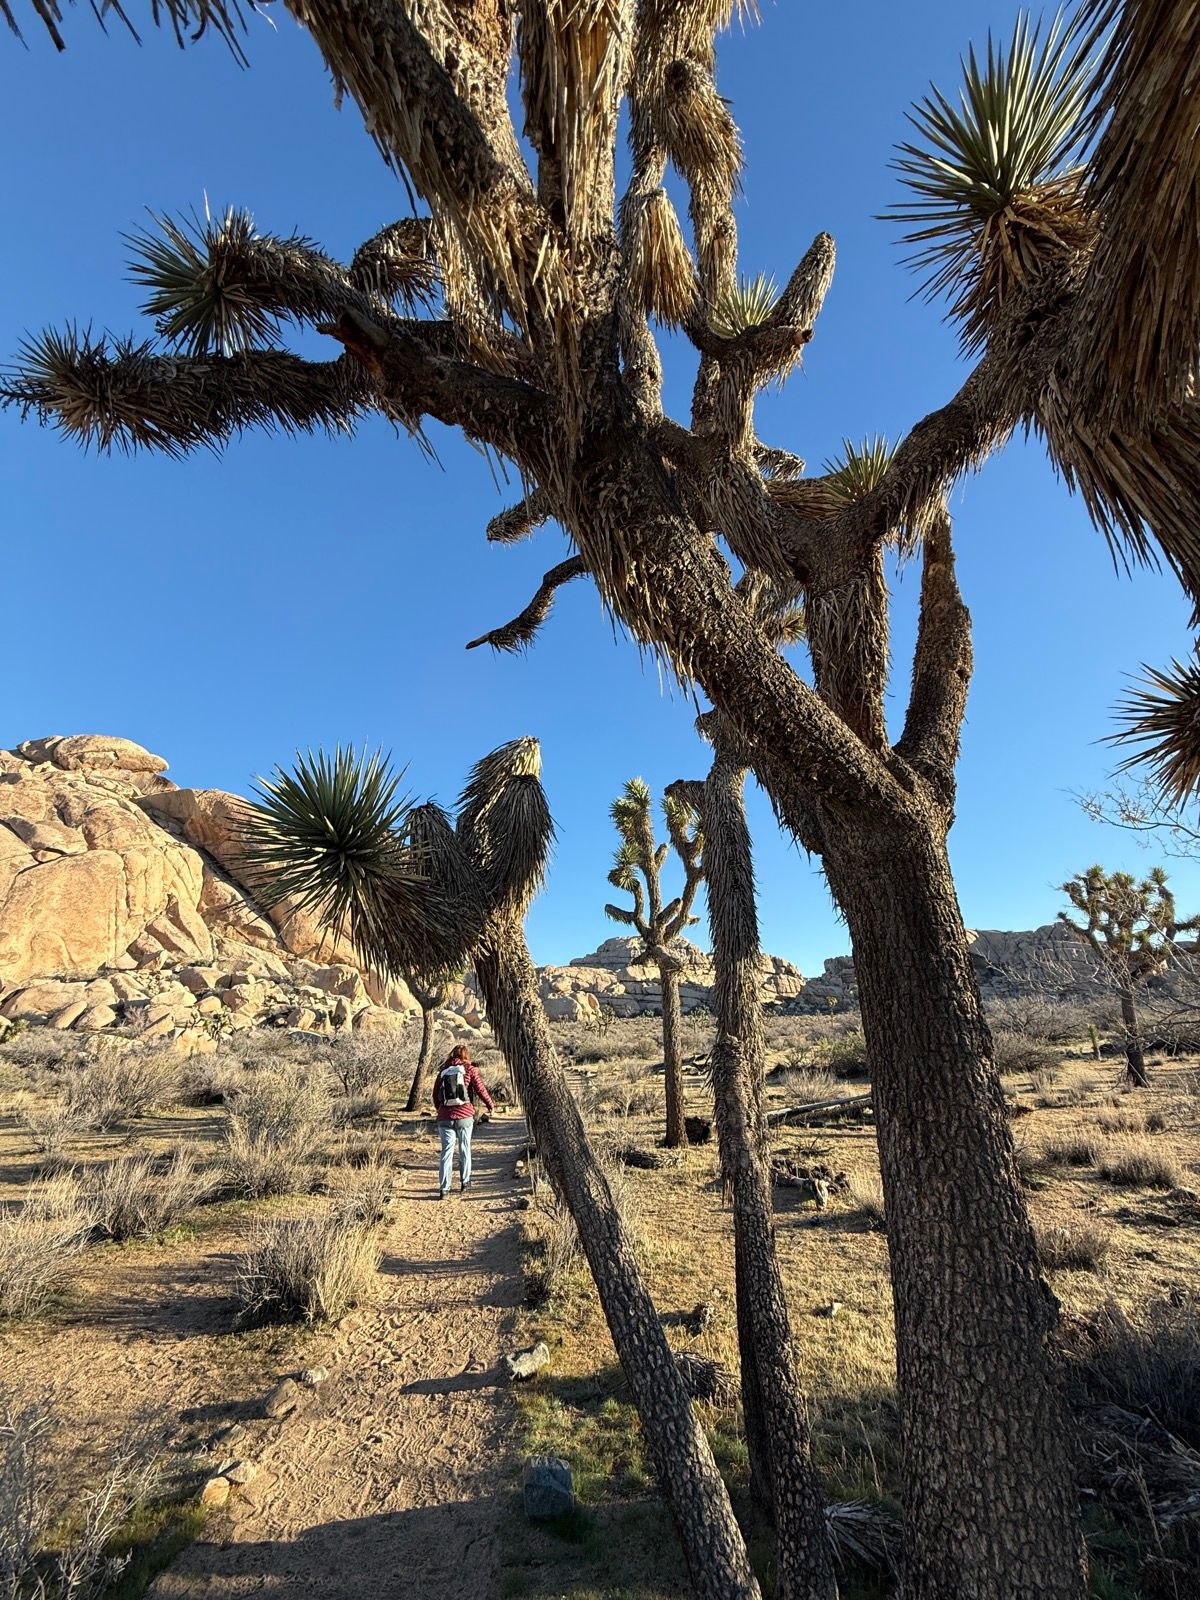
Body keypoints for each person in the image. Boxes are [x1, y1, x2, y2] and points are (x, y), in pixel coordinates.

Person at [432, 1044, 494, 1198]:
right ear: (466, 1055)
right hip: (465, 1116)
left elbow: (435, 1094)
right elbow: (480, 1089)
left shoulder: (443, 1071)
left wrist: (440, 1109)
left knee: (446, 1152)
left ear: (452, 1055)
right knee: (465, 1149)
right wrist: (490, 1105)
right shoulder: (470, 1069)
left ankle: (444, 1189)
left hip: (445, 1118)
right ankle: (465, 1182)